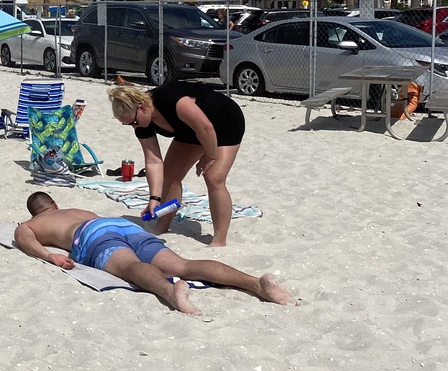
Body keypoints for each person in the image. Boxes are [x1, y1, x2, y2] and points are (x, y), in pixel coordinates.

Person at [16, 192, 294, 316]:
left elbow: (24, 238)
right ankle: (256, 284)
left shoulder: (34, 223)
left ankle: (169, 291)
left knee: (128, 267)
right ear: (54, 203)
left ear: (36, 212)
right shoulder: (78, 210)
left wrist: (49, 255)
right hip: (120, 224)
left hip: (92, 235)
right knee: (182, 265)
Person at [108, 80, 247, 247]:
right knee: (170, 176)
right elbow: (153, 161)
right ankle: (162, 226)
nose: (134, 127)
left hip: (223, 122)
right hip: (189, 131)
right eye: (128, 124)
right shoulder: (142, 123)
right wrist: (154, 198)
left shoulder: (168, 96)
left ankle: (219, 240)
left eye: (134, 122)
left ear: (141, 106)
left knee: (213, 176)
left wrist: (209, 156)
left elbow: (206, 128)